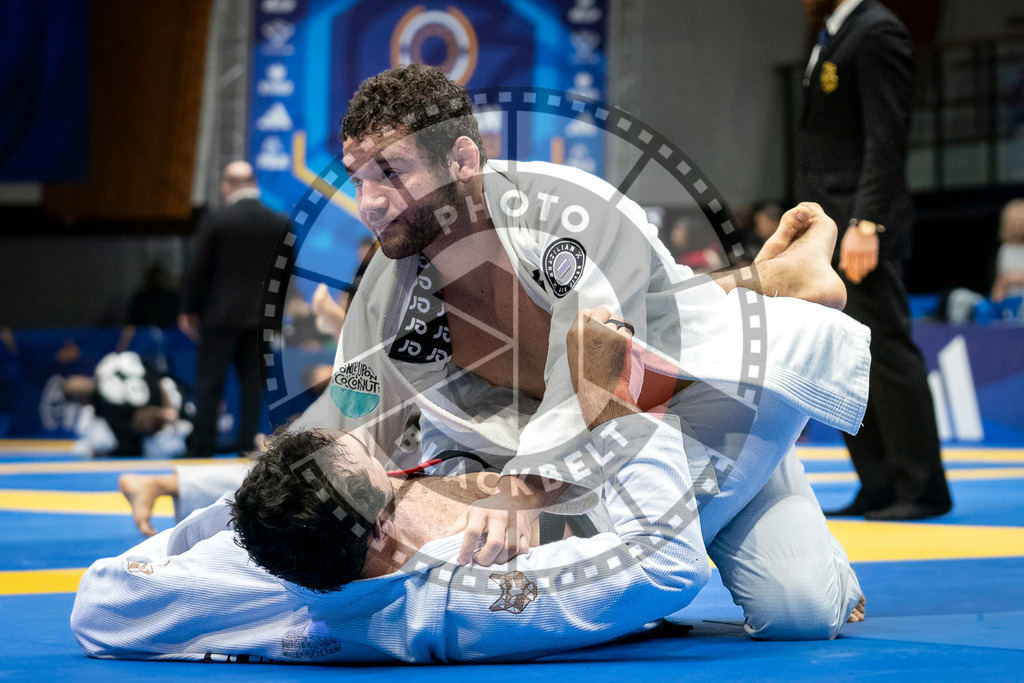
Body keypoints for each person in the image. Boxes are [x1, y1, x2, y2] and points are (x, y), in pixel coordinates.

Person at [72, 311, 863, 663]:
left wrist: (237, 512)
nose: (398, 472)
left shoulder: (261, 575)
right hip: (667, 467)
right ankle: (770, 474)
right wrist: (610, 404)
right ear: (381, 538)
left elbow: (99, 600)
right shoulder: (465, 590)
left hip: (545, 433)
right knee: (797, 605)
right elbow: (668, 563)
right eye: (386, 485)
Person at [796, 0, 952, 520]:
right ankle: (879, 482)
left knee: (883, 351)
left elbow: (886, 135)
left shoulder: (877, 31)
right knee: (841, 358)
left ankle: (922, 486)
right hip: (829, 222)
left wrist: (868, 223)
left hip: (860, 226)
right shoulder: (831, 35)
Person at [179, 161, 291, 458]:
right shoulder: (278, 222)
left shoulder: (217, 220)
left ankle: (202, 445)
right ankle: (246, 444)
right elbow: (285, 275)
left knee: (209, 383)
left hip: (220, 317)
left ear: (227, 186)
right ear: (253, 182)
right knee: (253, 385)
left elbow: (198, 268)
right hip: (260, 319)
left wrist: (188, 308)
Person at [991, 198, 1024, 303]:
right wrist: (996, 301)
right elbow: (1001, 281)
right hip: (1012, 305)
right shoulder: (1005, 250)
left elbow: (1009, 278)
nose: (1016, 226)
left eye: (1020, 221)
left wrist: (1016, 278)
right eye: (1013, 221)